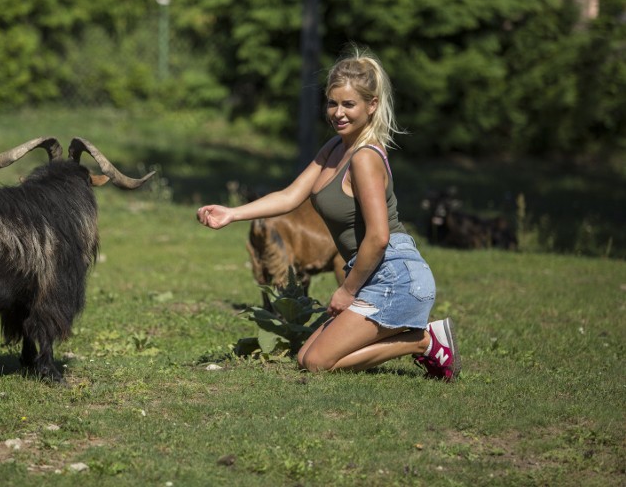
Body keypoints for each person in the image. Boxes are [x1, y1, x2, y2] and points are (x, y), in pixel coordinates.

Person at [196, 47, 460, 381]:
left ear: (372, 105)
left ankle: (422, 341)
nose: (338, 113)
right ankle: (411, 337)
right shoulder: (336, 147)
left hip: (396, 277)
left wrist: (347, 291)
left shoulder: (364, 158)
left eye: (349, 104)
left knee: (318, 362)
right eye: (332, 103)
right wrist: (233, 213)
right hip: (375, 274)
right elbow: (291, 195)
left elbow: (378, 237)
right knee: (306, 355)